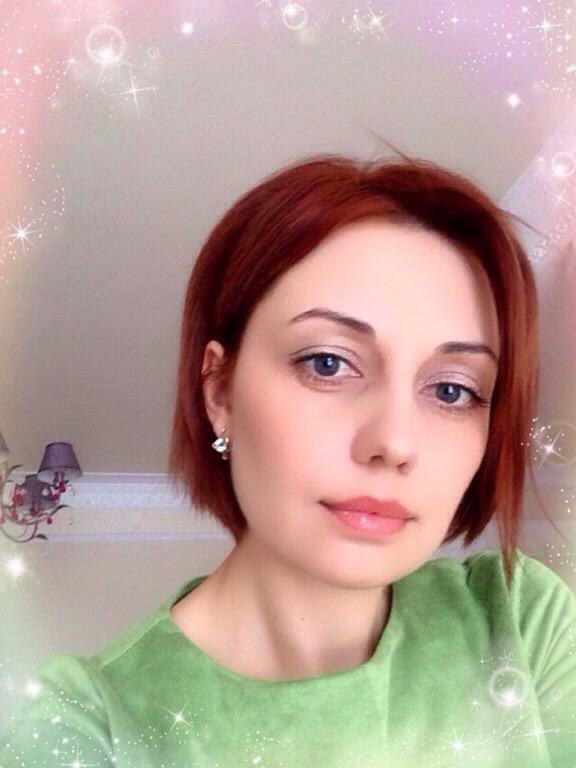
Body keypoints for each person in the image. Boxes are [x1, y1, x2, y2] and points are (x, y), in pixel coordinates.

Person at [1, 149, 575, 768]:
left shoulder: (520, 622)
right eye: (328, 363)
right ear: (219, 391)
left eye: (452, 391)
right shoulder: (86, 729)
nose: (394, 442)